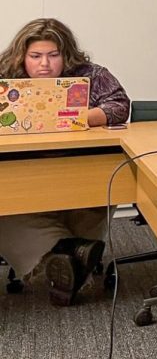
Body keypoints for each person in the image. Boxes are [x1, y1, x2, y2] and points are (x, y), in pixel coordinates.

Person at [0, 18, 131, 305]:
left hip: (80, 173)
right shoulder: (5, 75)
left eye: (53, 55)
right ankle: (72, 253)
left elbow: (119, 106)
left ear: (66, 55)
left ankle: (63, 262)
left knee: (95, 193)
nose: (44, 64)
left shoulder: (91, 74)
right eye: (35, 56)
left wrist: (74, 118)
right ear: (22, 57)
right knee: (5, 207)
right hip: (22, 174)